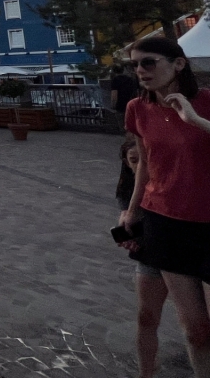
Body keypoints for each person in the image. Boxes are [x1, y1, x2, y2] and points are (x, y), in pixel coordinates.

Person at [119, 36, 210, 377]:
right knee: (196, 330)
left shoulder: (206, 101)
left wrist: (195, 119)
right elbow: (145, 163)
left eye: (148, 62)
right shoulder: (137, 108)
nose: (140, 70)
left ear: (179, 64)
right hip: (167, 223)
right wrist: (132, 212)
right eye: (135, 65)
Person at [117, 134, 169, 378]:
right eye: (133, 160)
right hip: (151, 253)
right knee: (146, 315)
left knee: (196, 325)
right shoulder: (128, 187)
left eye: (143, 159)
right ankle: (146, 371)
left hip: (183, 249)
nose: (139, 165)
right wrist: (128, 236)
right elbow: (126, 216)